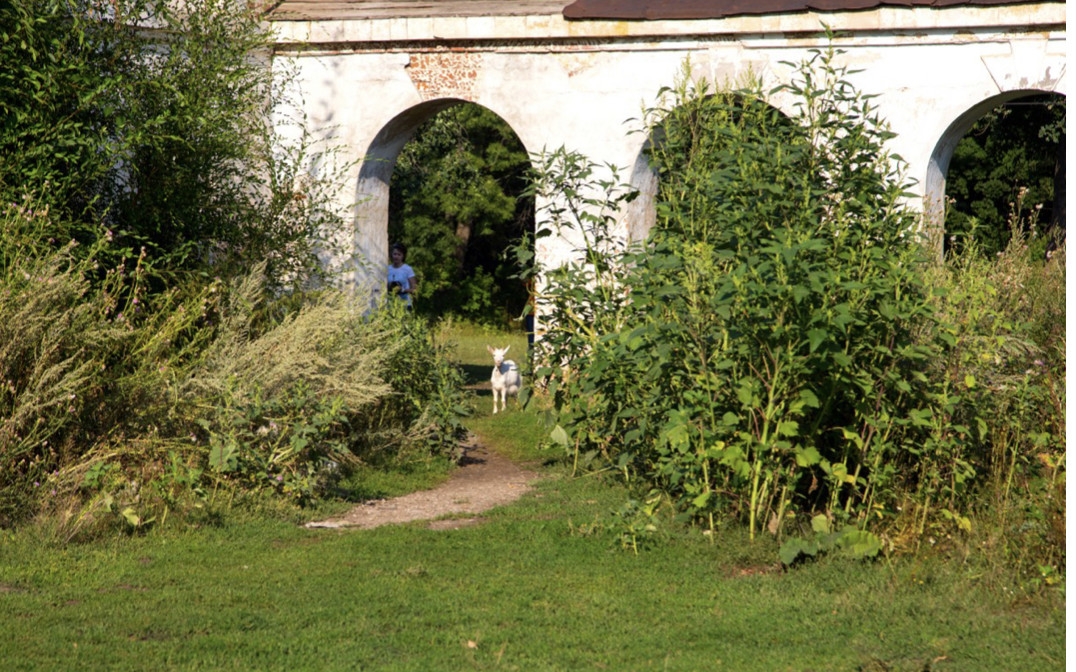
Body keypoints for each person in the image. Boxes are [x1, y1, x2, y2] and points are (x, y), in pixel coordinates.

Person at [386, 242, 417, 309]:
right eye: (395, 254)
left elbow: (414, 290)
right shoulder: (387, 269)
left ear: (403, 256)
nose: (396, 257)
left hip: (405, 304)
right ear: (392, 255)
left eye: (399, 255)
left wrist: (403, 290)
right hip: (390, 304)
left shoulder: (408, 269)